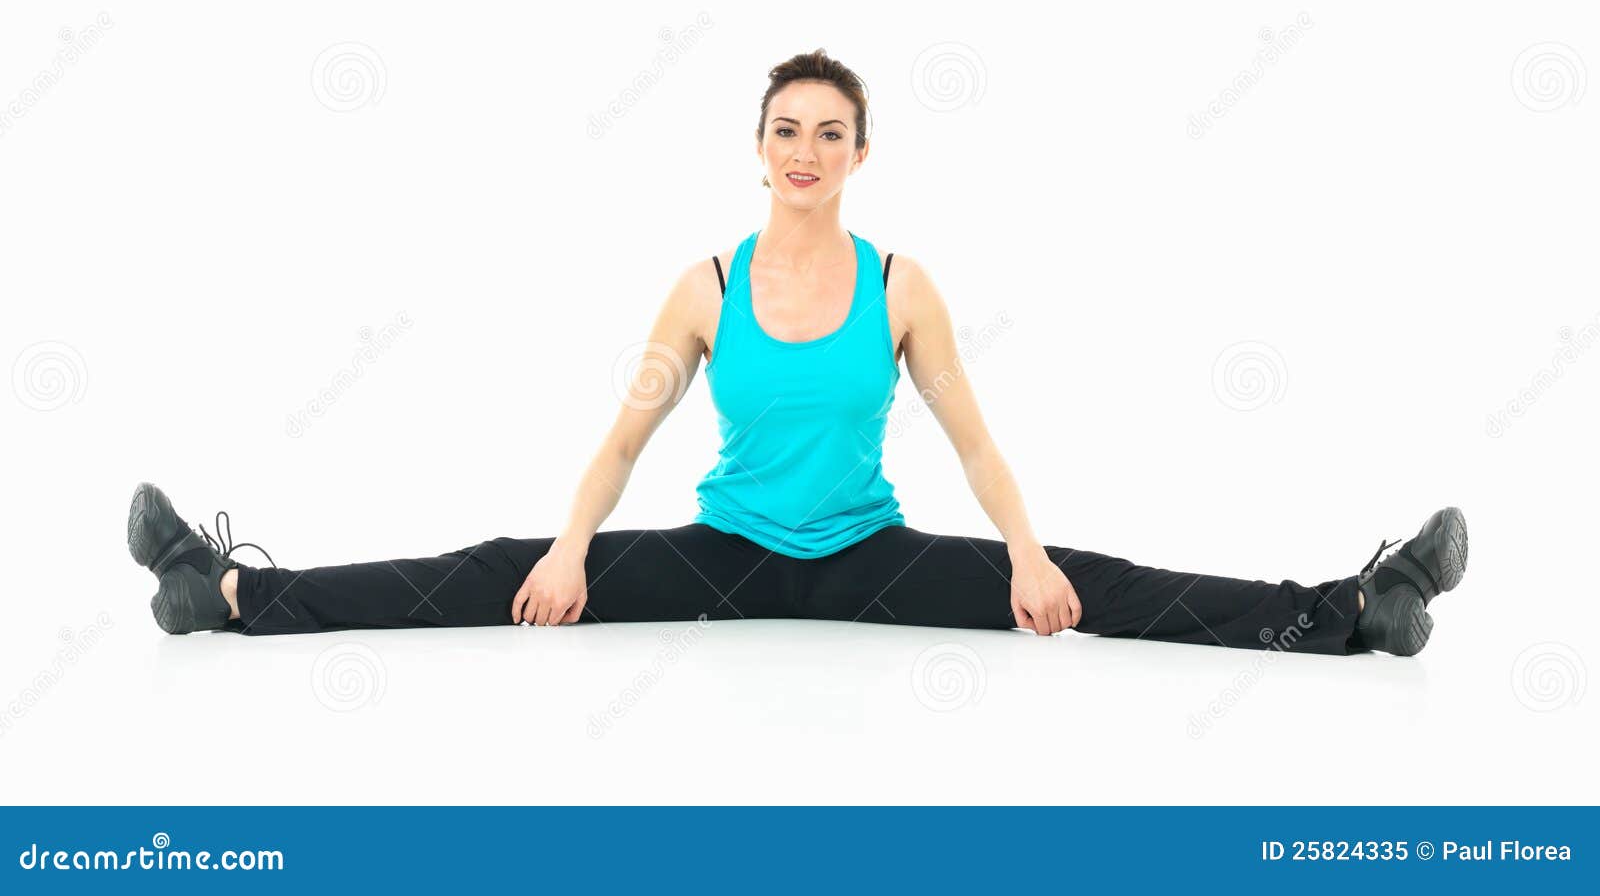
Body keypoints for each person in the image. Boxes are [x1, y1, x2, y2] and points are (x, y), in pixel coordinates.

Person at [127, 50, 1468, 656]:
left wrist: (1028, 554)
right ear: (757, 148)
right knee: (492, 567)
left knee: (1097, 583)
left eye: (832, 130)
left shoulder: (903, 285)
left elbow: (976, 440)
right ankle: (230, 591)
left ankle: (1355, 608)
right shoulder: (707, 286)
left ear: (861, 153)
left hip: (873, 556)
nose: (807, 149)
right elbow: (622, 439)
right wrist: (571, 547)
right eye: (787, 128)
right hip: (730, 552)